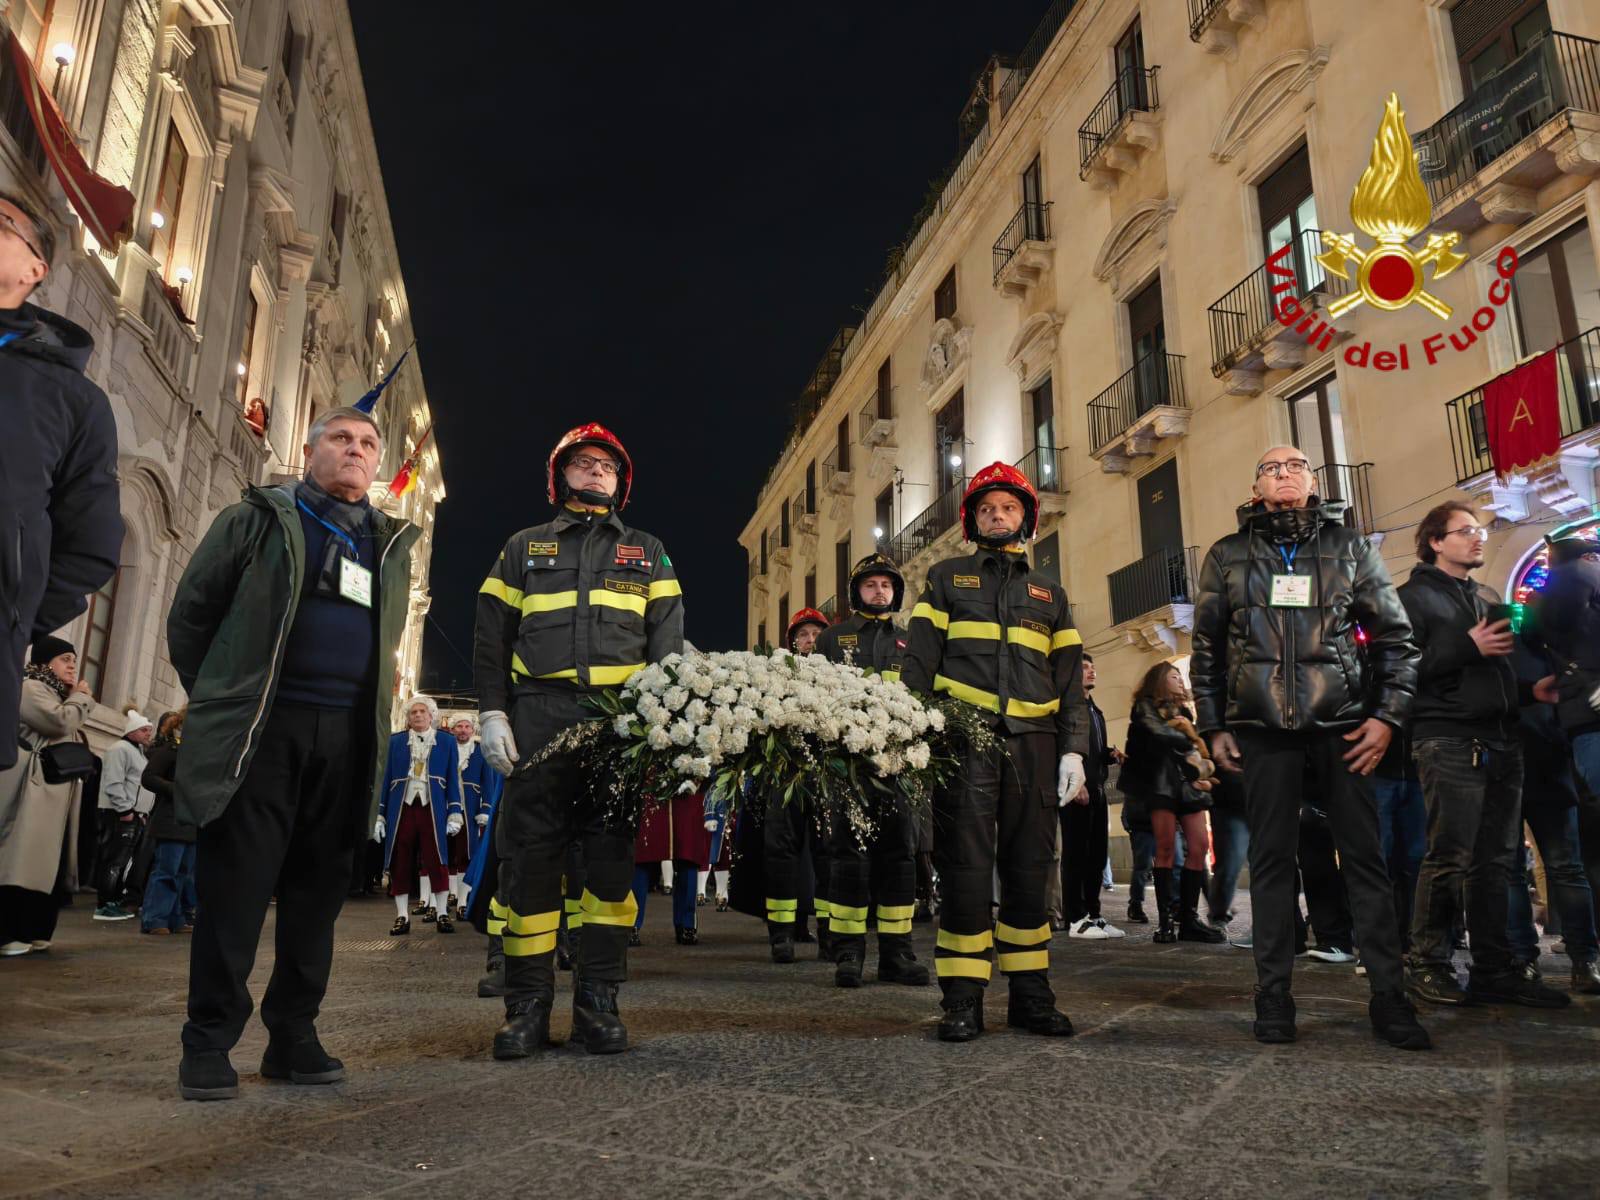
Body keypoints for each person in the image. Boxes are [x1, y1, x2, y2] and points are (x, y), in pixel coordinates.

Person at [168, 405, 420, 1101]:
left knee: (318, 896)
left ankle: (294, 1035)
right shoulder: (260, 519)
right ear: (310, 451)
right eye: (341, 439)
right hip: (264, 729)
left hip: (347, 736)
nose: (356, 450)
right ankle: (208, 1040)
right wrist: (224, 695)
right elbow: (193, 614)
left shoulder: (389, 543)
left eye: (369, 443)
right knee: (237, 890)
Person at [1191, 445, 1430, 1049]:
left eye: (1296, 466)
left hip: (1344, 727)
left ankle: (1388, 995)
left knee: (1366, 862)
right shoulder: (1227, 555)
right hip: (1262, 731)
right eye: (1272, 467)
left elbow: (1395, 642)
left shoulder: (1351, 549)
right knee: (1271, 864)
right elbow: (1208, 652)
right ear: (1256, 488)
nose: (1285, 474)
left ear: (1314, 482)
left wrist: (1386, 720)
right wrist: (1215, 727)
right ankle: (1273, 995)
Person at [475, 422, 683, 1058]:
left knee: (610, 862)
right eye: (584, 464)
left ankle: (598, 1002)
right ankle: (527, 1006)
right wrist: (491, 712)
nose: (596, 473)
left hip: (617, 723)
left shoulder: (649, 553)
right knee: (530, 863)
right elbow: (491, 640)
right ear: (560, 475)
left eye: (607, 467)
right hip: (538, 713)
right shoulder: (522, 548)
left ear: (621, 482)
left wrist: (658, 721)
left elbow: (667, 645)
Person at [901, 462, 1086, 1042]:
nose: (996, 515)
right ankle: (962, 997)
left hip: (1034, 743)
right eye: (986, 509)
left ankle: (1032, 995)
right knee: (965, 867)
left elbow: (1070, 681)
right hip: (965, 738)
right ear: (972, 521)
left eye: (1007, 508)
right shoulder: (945, 578)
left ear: (1025, 519)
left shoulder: (1049, 594)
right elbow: (918, 665)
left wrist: (1074, 751)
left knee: (1033, 867)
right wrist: (915, 735)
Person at [1396, 503, 1567, 1008]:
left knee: (1498, 860)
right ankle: (1427, 964)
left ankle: (1495, 968)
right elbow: (1398, 672)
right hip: (1448, 740)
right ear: (1434, 541)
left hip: (1500, 739)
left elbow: (1488, 677)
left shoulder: (1484, 595)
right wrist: (1466, 648)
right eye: (1465, 531)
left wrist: (1530, 691)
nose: (1478, 538)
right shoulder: (1410, 598)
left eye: (1481, 530)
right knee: (1449, 856)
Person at [0, 192, 121, 776]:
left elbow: (91, 544)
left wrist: (13, 612)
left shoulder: (73, 400)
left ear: (35, 271)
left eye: (2, 222)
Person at [813, 553, 928, 986]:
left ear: (895, 592)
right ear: (856, 592)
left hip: (899, 767)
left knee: (900, 855)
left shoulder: (911, 640)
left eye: (886, 585)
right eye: (870, 585)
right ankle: (848, 952)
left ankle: (897, 952)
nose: (879, 591)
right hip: (848, 768)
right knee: (847, 855)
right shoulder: (833, 639)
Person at [1507, 643, 1600, 994]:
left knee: (1544, 868)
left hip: (1539, 767)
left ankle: (1546, 958)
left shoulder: (1542, 649)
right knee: (1555, 868)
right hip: (1534, 765)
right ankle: (1574, 959)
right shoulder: (1549, 648)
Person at [0, 637, 94, 954]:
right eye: (65, 658)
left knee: (44, 862)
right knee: (21, 859)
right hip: (30, 790)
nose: (72, 665)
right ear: (45, 662)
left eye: (73, 660)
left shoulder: (58, 695)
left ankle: (36, 928)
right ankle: (9, 933)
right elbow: (57, 723)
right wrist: (80, 698)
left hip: (50, 791)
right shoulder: (31, 688)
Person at [1116, 662, 1221, 944]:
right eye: (1173, 676)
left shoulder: (1184, 712)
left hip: (1188, 784)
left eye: (1180, 676)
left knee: (1199, 845)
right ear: (1160, 680)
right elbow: (1160, 735)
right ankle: (1165, 923)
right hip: (1160, 783)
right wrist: (1188, 734)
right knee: (1165, 848)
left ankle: (1189, 919)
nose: (1179, 680)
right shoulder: (1144, 706)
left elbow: (1195, 749)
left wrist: (1203, 769)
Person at [763, 607, 830, 965]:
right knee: (781, 854)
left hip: (826, 774)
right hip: (785, 773)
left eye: (817, 635)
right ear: (792, 642)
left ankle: (831, 935)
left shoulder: (840, 675)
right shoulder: (778, 676)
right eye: (803, 635)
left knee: (828, 853)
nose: (810, 641)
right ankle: (782, 934)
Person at [377, 695, 464, 935]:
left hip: (432, 808)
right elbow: (385, 779)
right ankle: (402, 916)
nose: (417, 715)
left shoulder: (446, 742)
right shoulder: (395, 741)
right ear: (408, 717)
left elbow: (453, 781)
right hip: (402, 807)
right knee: (400, 860)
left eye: (422, 712)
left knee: (437, 859)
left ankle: (443, 913)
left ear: (431, 715)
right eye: (413, 712)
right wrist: (381, 813)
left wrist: (455, 810)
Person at [1062, 654, 1123, 940]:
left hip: (1097, 791)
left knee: (1097, 857)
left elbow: (1092, 750)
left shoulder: (1094, 710)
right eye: (1084, 667)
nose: (1091, 671)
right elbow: (1065, 746)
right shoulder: (1069, 707)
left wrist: (1109, 755)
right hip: (1078, 790)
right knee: (1077, 856)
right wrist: (1077, 784)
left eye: (1092, 667)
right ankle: (1075, 917)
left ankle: (1094, 915)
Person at [139, 710, 196, 936]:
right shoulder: (170, 750)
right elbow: (149, 777)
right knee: (166, 871)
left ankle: (176, 916)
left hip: (190, 820)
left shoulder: (195, 753)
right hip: (171, 819)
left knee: (183, 873)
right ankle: (155, 918)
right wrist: (176, 790)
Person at [93, 710, 154, 921]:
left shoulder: (137, 752)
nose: (148, 734)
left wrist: (141, 812)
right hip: (119, 813)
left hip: (134, 814)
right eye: (144, 730)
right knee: (114, 860)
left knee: (124, 860)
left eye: (150, 730)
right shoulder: (120, 750)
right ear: (132, 731)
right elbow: (114, 781)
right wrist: (125, 810)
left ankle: (115, 899)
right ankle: (105, 903)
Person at [631, 790, 711, 945]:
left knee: (688, 858)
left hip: (687, 794)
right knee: (642, 859)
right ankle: (631, 923)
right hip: (652, 790)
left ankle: (687, 924)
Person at [450, 714, 501, 916]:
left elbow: (488, 783)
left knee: (466, 853)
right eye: (459, 726)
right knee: (446, 853)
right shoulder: (446, 750)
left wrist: (485, 809)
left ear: (472, 730)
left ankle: (463, 900)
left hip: (471, 809)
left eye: (467, 726)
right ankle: (449, 895)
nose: (463, 730)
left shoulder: (480, 752)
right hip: (448, 808)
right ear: (453, 729)